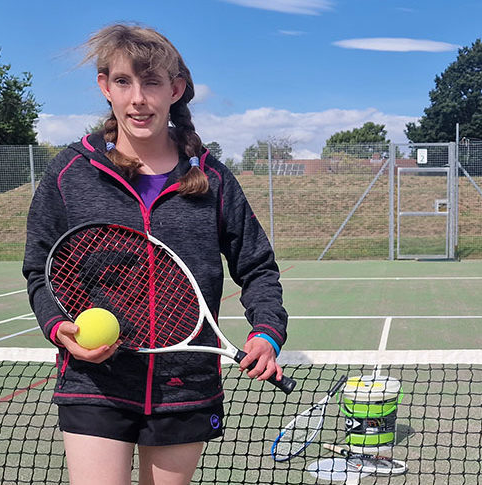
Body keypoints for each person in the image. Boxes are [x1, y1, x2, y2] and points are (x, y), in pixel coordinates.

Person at [22, 23, 288, 485]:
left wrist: (267, 332)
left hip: (185, 385)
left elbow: (257, 266)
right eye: (123, 82)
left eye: (151, 83)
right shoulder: (71, 171)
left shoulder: (214, 180)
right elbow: (40, 269)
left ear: (175, 90)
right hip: (95, 382)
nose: (138, 99)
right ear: (105, 86)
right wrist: (59, 328)